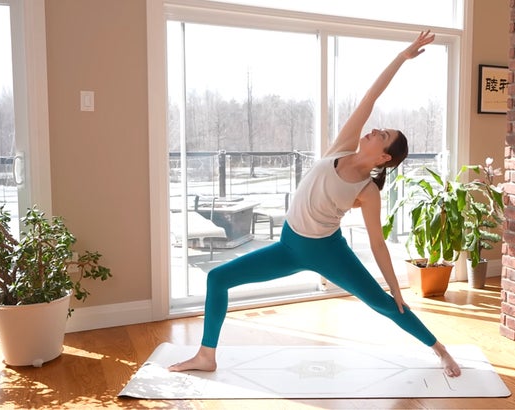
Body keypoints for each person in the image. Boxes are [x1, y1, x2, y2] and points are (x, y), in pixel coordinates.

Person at [168, 30, 462, 378]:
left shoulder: (369, 191)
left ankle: (440, 350)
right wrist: (401, 57)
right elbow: (370, 97)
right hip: (288, 246)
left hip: (328, 252)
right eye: (378, 128)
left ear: (384, 156)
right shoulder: (343, 147)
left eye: (381, 135)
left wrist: (396, 287)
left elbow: (378, 243)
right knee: (218, 278)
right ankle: (206, 355)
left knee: (385, 304)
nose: (373, 129)